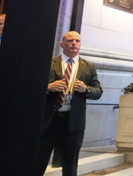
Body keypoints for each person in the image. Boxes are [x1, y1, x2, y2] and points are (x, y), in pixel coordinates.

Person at [37, 31, 103, 176]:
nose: (74, 43)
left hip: (73, 123)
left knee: (70, 166)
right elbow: (32, 88)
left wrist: (86, 89)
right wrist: (48, 87)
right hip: (48, 121)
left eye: (77, 41)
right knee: (38, 162)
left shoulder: (88, 67)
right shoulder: (50, 63)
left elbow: (98, 91)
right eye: (70, 40)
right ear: (62, 44)